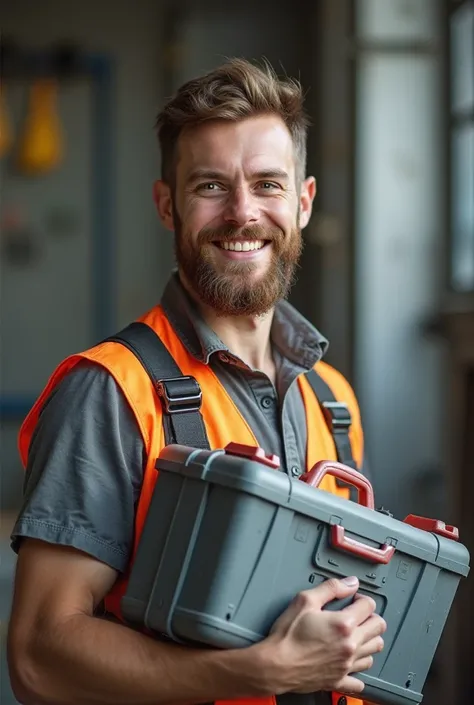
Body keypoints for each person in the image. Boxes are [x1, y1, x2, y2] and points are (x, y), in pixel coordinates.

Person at [7, 58, 386, 705]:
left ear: (303, 201)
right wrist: (252, 673)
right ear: (167, 204)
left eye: (267, 184)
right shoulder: (110, 391)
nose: (243, 213)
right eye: (211, 186)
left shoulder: (333, 398)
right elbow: (40, 656)